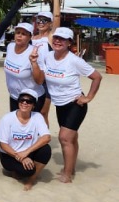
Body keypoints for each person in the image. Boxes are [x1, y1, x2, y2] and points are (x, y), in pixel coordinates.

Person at [43, 27, 102, 183]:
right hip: (60, 105)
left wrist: (88, 97)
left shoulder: (74, 60)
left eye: (62, 39)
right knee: (72, 138)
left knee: (64, 138)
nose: (58, 41)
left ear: (69, 43)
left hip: (75, 104)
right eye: (56, 38)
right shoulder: (48, 57)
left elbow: (97, 77)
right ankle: (71, 168)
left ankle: (67, 175)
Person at [0, 89, 52, 190]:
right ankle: (15, 171)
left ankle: (31, 180)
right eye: (22, 100)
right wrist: (20, 157)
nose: (24, 103)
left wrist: (26, 152)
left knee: (46, 150)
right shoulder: (7, 118)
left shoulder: (37, 117)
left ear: (33, 105)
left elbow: (47, 137)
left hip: (27, 152)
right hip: (9, 155)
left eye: (29, 101)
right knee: (25, 171)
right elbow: (3, 144)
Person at [31, 0, 64, 124]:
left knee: (43, 112)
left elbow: (57, 16)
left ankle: (43, 139)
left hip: (45, 80)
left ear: (50, 24)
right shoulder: (31, 38)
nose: (41, 22)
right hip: (31, 76)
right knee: (30, 111)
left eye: (44, 20)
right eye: (38, 20)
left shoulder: (51, 37)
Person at [4, 22, 46, 113]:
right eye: (18, 32)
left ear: (30, 37)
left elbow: (40, 81)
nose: (19, 36)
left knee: (28, 126)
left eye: (23, 34)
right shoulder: (10, 47)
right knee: (15, 125)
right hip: (14, 96)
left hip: (31, 98)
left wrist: (34, 63)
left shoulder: (34, 52)